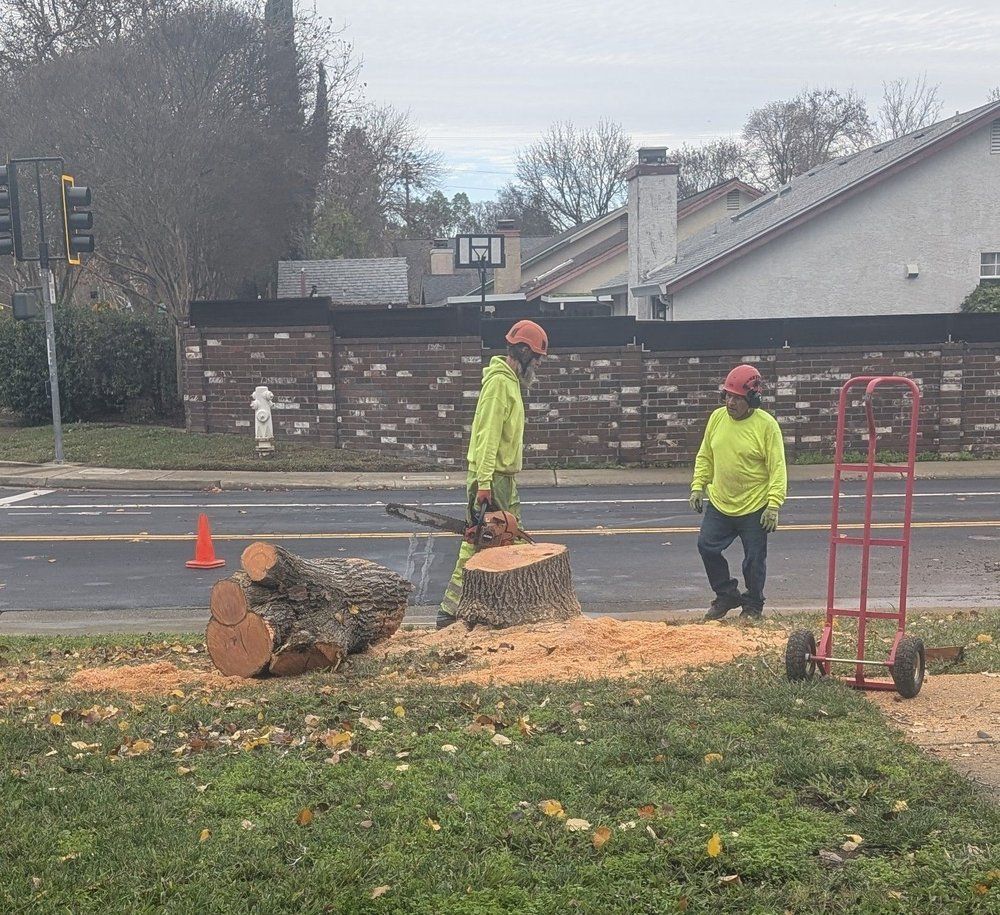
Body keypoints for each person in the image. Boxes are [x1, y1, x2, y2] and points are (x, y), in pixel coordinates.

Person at [436, 319, 548, 628]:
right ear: (523, 352)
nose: (537, 363)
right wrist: (484, 482)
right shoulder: (499, 383)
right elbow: (486, 436)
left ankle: (514, 608)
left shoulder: (509, 382)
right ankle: (449, 611)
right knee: (480, 541)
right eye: (536, 356)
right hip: (492, 476)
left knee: (510, 539)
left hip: (502, 477)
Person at [689, 364, 786, 620]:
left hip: (755, 506)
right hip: (721, 502)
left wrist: (774, 504)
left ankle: (753, 606)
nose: (730, 403)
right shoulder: (717, 418)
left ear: (752, 400)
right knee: (707, 547)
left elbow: (777, 467)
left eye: (737, 398)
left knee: (753, 560)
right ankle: (726, 595)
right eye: (727, 396)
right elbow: (705, 455)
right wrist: (698, 486)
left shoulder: (766, 426)